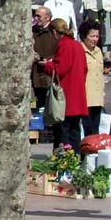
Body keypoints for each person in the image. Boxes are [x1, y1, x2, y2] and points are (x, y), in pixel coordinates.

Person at [42, 18, 87, 151]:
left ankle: (62, 160)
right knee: (74, 131)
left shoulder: (64, 44)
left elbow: (60, 69)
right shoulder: (77, 45)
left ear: (54, 32)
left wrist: (47, 65)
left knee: (62, 132)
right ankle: (75, 158)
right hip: (77, 94)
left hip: (65, 96)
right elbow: (85, 69)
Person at [77, 20, 105, 138]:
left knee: (96, 128)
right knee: (87, 128)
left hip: (97, 98)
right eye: (92, 36)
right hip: (85, 97)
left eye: (97, 36)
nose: (95, 39)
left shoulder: (98, 51)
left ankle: (94, 149)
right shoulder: (79, 50)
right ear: (84, 36)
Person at [31, 6, 55, 112]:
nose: (36, 18)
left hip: (48, 73)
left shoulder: (53, 31)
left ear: (47, 17)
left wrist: (50, 60)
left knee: (47, 103)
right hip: (35, 73)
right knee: (35, 102)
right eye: (35, 16)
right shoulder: (33, 30)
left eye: (38, 16)